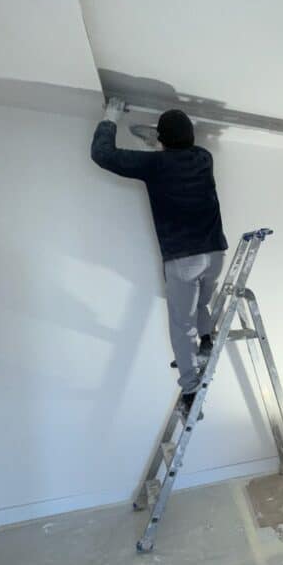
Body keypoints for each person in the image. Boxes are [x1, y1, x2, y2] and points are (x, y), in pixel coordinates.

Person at [91, 98, 228, 415]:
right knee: (202, 305)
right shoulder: (203, 158)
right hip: (215, 253)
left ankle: (191, 391)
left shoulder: (155, 165)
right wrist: (157, 141)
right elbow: (174, 153)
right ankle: (206, 341)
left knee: (181, 325)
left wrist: (111, 116)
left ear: (163, 142)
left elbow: (102, 154)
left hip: (184, 260)